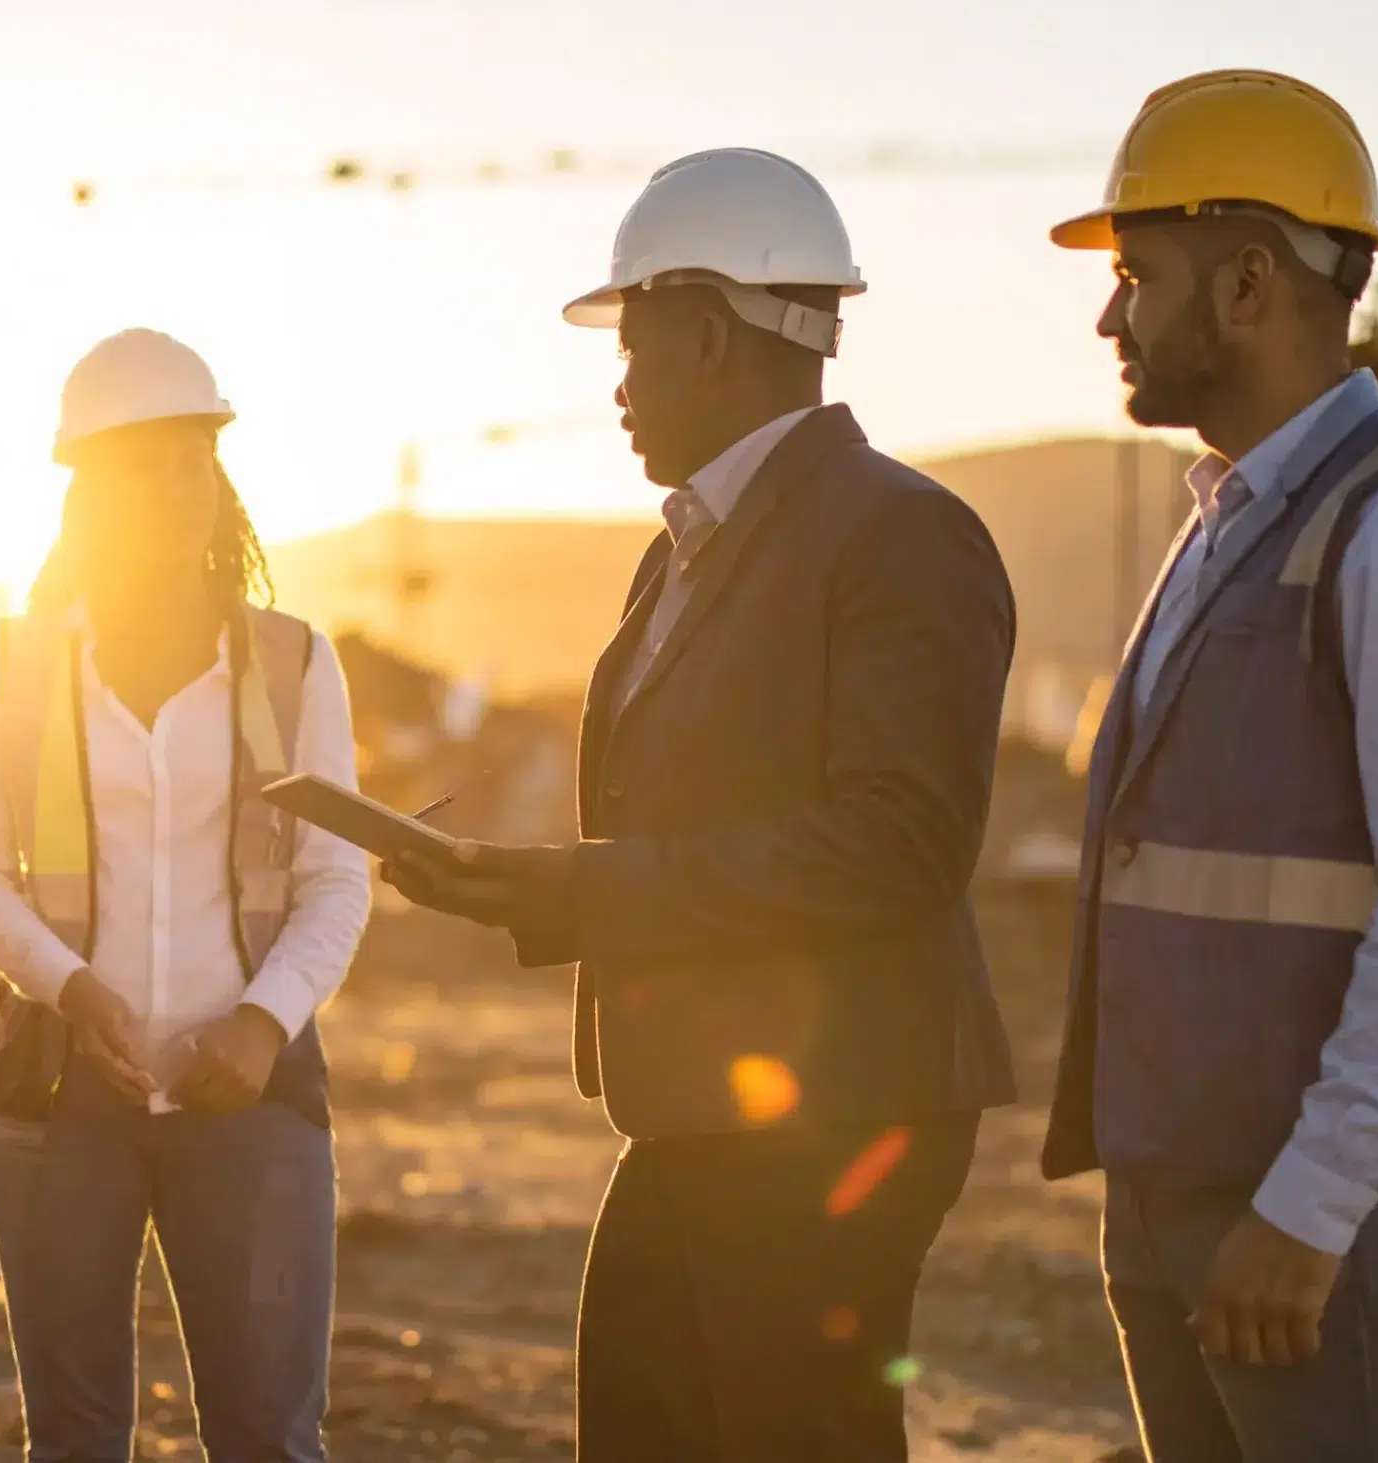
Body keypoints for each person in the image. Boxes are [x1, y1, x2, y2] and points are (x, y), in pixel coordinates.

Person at [383, 148, 1019, 1462]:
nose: (616, 386)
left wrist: (581, 887)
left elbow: (901, 843)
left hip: (835, 1114)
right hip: (698, 1108)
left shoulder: (900, 532)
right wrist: (532, 886)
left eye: (637, 343)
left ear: (715, 335)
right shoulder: (677, 554)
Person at [1041, 71, 1378, 1461]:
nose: (1109, 314)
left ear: (1250, 281)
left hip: (1322, 1218)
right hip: (1188, 1190)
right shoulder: (1230, 520)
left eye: (1138, 273)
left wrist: (1312, 1205)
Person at [0, 328, 371, 1463]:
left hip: (253, 1104)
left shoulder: (291, 663)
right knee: (75, 1442)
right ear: (87, 491)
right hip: (57, 1106)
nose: (179, 486)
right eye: (144, 463)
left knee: (270, 1438)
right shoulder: (11, 668)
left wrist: (258, 1021)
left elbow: (336, 875)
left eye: (195, 456)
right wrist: (73, 990)